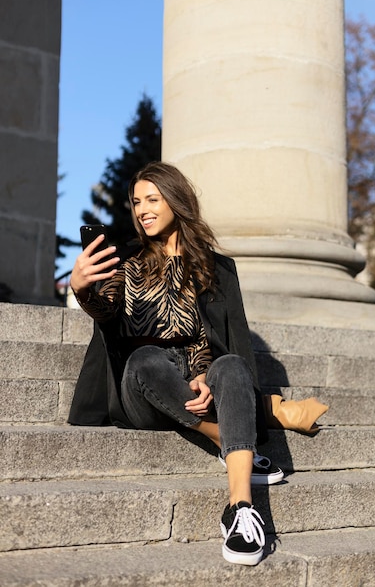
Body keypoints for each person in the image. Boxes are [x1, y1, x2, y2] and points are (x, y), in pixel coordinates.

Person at [69, 161, 284, 566]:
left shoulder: (215, 268)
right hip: (145, 386)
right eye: (136, 202)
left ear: (176, 200)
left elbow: (218, 336)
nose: (142, 209)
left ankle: (240, 511)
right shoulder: (128, 261)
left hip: (194, 376)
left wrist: (204, 373)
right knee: (147, 358)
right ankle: (228, 439)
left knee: (233, 364)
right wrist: (83, 290)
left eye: (152, 198)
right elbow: (106, 310)